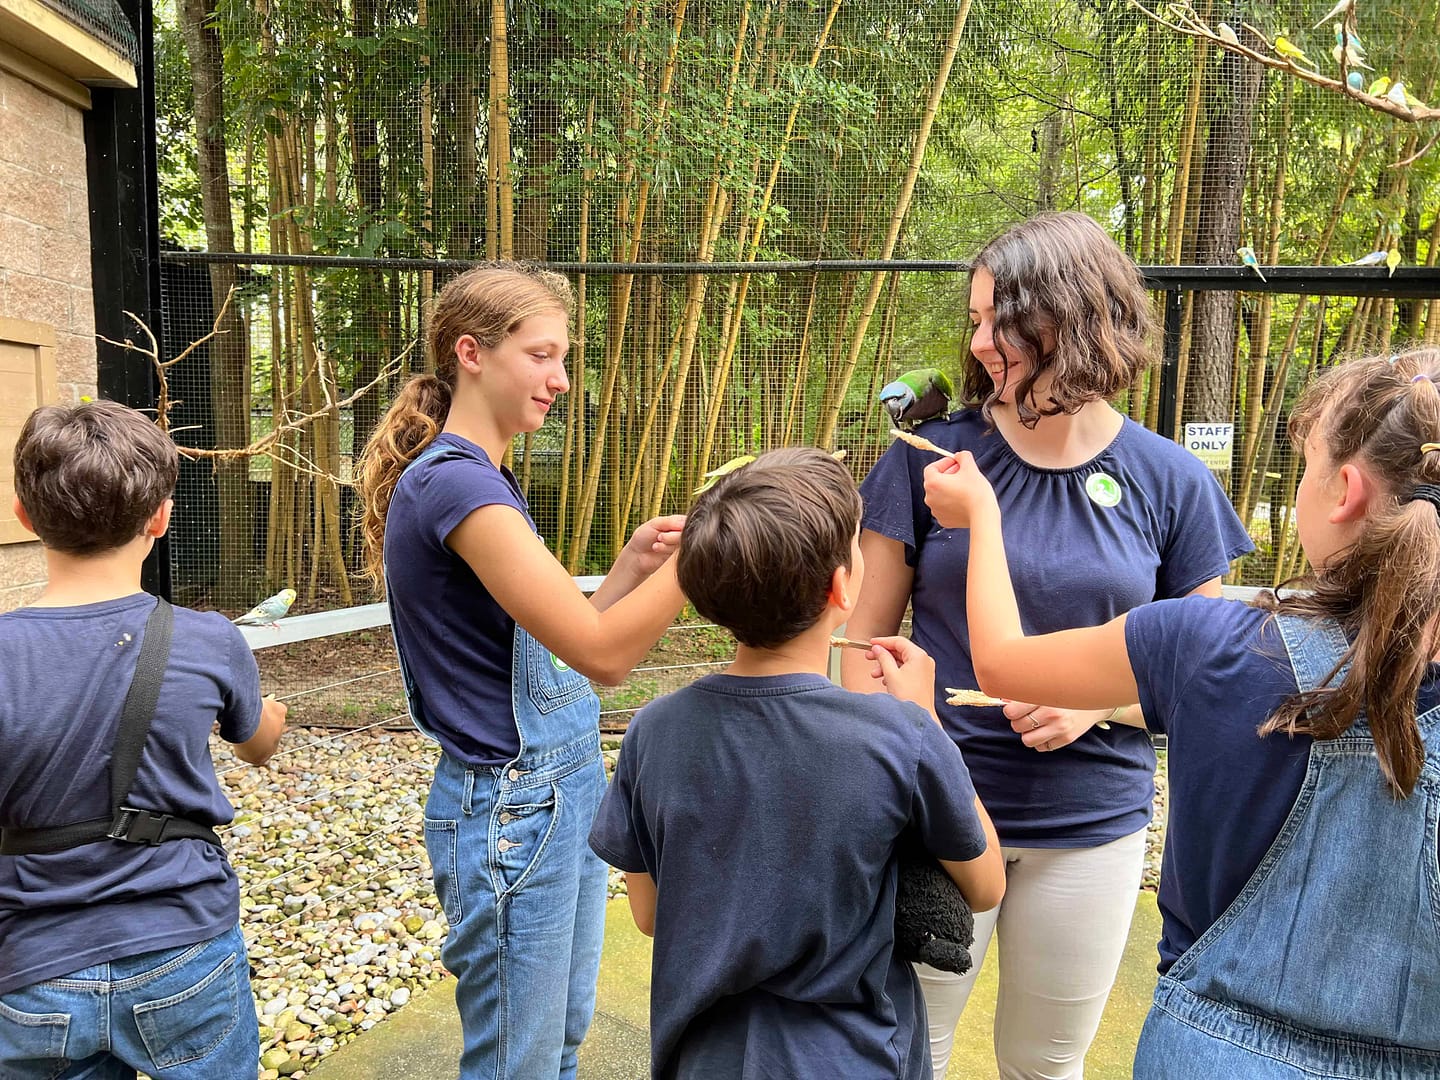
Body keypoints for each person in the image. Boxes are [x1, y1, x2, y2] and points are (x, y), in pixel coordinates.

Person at [923, 346, 1440, 1078]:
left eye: (1309, 463)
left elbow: (1001, 660)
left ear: (1345, 491)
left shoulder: (1208, 644)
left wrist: (982, 517)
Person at [843, 211, 1254, 1079]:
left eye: (1003, 321)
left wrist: (1097, 701)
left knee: (1045, 1065)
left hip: (1091, 823)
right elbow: (860, 643)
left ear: (1071, 318)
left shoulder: (1169, 479)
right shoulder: (930, 457)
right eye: (976, 319)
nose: (981, 341)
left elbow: (1207, 677)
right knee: (903, 1054)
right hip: (935, 812)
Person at [355, 262, 686, 1079]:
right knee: (521, 1065)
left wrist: (630, 572)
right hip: (512, 807)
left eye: (563, 358)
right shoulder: (456, 483)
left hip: (560, 789)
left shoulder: (486, 477)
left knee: (556, 1047)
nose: (562, 380)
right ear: (472, 352)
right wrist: (709, 559)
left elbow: (553, 646)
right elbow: (607, 657)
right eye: (542, 356)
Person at [588, 447, 1006, 1079]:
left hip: (702, 1059)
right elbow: (986, 885)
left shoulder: (654, 731)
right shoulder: (899, 735)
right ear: (842, 584)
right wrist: (930, 725)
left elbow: (650, 915)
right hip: (853, 1057)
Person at [0, 399, 288, 1079]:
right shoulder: (208, 640)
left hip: (33, 962)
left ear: (23, 514)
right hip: (182, 945)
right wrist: (268, 716)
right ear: (159, 518)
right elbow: (255, 744)